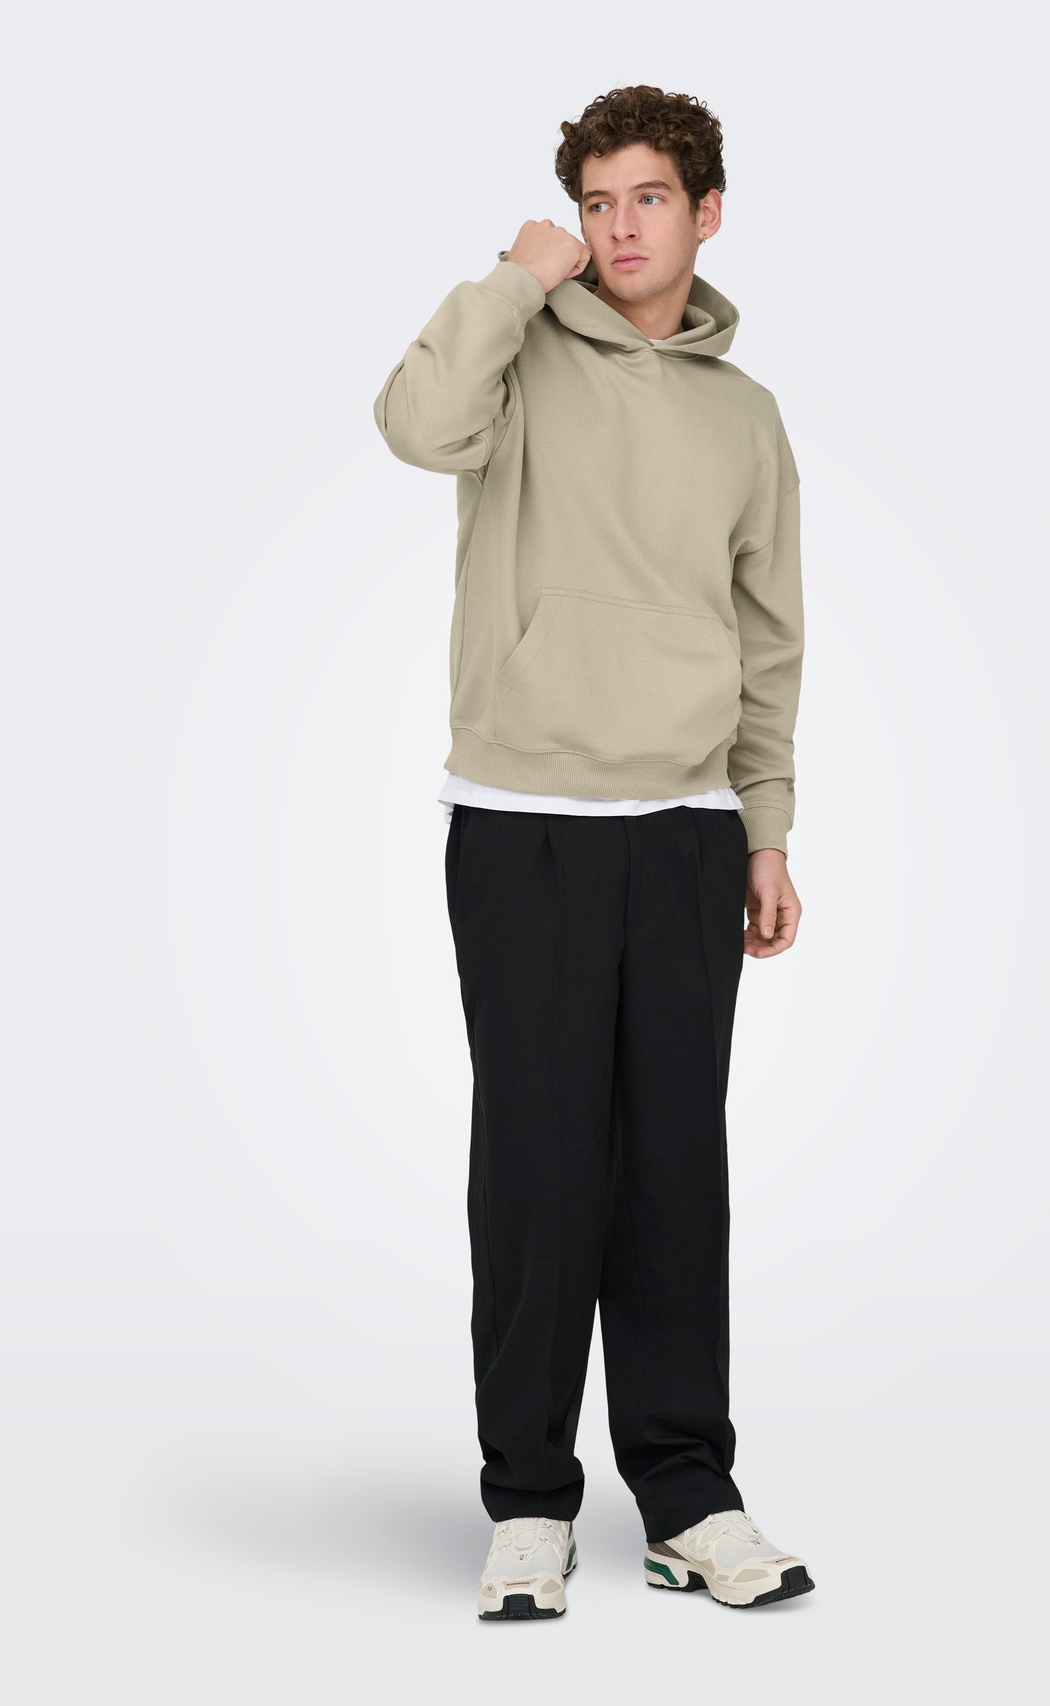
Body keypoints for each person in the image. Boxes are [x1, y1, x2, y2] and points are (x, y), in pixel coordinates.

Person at [374, 84, 814, 1619]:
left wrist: (766, 828)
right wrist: (514, 277)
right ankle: (528, 1501)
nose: (621, 227)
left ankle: (690, 1493)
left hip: (689, 829)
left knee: (676, 1173)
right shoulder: (518, 358)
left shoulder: (745, 416)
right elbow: (412, 425)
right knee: (541, 1170)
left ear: (707, 213)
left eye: (649, 198)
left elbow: (770, 634)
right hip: (527, 822)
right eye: (598, 201)